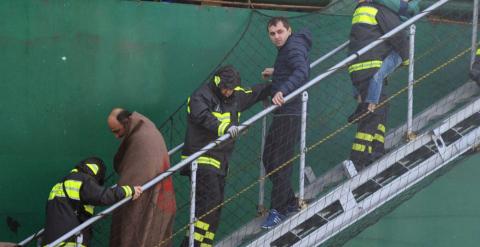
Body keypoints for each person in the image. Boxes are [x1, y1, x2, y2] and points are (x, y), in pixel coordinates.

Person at [180, 65, 271, 246]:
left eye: (231, 89)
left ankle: (203, 244)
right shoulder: (200, 96)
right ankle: (192, 244)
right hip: (201, 160)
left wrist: (279, 83)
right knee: (208, 206)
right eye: (225, 88)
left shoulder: (235, 95)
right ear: (217, 82)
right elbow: (204, 117)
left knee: (214, 210)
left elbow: (255, 92)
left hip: (220, 163)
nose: (228, 92)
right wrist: (227, 129)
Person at [260, 16, 312, 229]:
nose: (276, 37)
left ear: (289, 30)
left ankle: (278, 210)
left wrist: (282, 89)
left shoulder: (292, 48)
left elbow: (302, 70)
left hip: (291, 112)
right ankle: (289, 200)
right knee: (269, 159)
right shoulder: (288, 48)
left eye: (280, 32)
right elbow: (294, 67)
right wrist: (276, 72)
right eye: (272, 34)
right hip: (284, 113)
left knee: (279, 162)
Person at [346, 0, 409, 173]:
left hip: (359, 68)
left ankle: (376, 150)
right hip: (371, 67)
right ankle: (357, 160)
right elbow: (397, 34)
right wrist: (406, 57)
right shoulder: (377, 9)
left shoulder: (360, 10)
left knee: (382, 105)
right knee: (372, 114)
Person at [107, 109, 176, 247]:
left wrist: (124, 192)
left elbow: (137, 176)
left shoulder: (142, 136)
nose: (116, 136)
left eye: (116, 131)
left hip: (150, 198)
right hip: (163, 199)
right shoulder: (146, 130)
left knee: (137, 232)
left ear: (126, 123)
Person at [41, 157, 142, 246]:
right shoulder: (82, 179)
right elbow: (103, 196)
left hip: (50, 242)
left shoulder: (60, 184)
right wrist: (129, 190)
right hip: (69, 241)